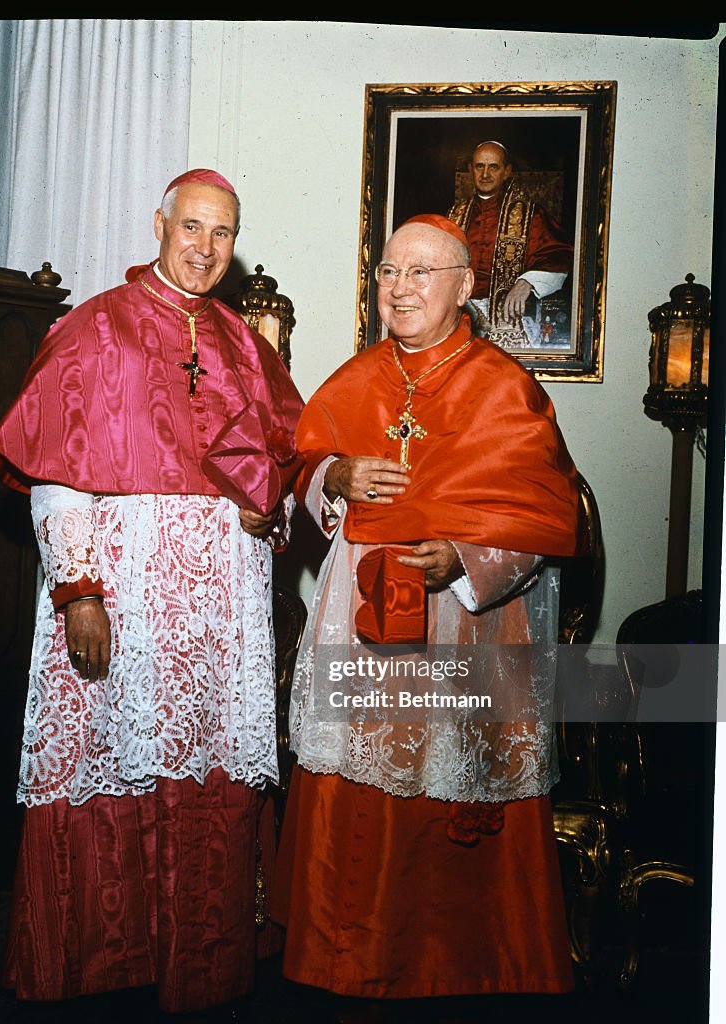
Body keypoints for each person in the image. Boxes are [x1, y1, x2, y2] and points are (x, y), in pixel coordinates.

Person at [0, 168, 304, 1013]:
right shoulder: (96, 329)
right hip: (121, 598)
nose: (205, 249)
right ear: (159, 224)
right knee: (109, 762)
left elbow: (284, 469)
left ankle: (199, 966)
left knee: (208, 776)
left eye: (222, 235)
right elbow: (56, 478)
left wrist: (270, 511)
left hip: (220, 611)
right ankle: (105, 966)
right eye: (192, 228)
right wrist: (79, 592)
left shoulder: (243, 343)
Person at [271, 214, 581, 1018]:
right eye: (385, 273)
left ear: (464, 286)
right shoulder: (356, 374)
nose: (398, 289)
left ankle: (451, 969)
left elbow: (542, 523)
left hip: (462, 628)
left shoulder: (502, 386)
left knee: (444, 784)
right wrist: (334, 475)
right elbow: (300, 467)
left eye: (419, 273)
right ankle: (342, 962)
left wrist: (466, 561)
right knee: (353, 780)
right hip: (359, 617)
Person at [448, 140, 574, 350]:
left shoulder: (531, 214)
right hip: (460, 319)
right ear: (471, 170)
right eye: (480, 166)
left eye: (493, 167)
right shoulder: (454, 215)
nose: (485, 174)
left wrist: (527, 283)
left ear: (506, 172)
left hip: (510, 319)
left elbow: (559, 256)